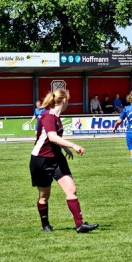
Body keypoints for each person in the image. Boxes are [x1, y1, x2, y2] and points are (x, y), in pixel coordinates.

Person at [30, 89, 98, 233]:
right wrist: (73, 145)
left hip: (57, 158)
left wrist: (64, 148)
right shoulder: (48, 116)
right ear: (65, 100)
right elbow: (52, 137)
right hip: (41, 160)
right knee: (44, 196)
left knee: (71, 189)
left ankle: (80, 225)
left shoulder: (56, 117)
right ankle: (45, 225)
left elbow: (54, 140)